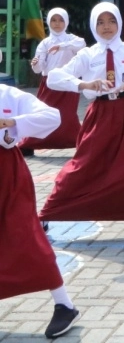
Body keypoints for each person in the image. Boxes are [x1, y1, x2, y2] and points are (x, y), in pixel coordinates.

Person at [42, 3, 124, 241]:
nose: (106, 27)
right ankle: (48, 214)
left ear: (119, 23)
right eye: (100, 22)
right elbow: (54, 77)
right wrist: (84, 85)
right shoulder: (87, 55)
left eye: (111, 21)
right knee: (84, 164)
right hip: (100, 113)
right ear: (94, 25)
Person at [0, 73, 82, 340]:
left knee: (25, 235)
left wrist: (12, 122)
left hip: (7, 174)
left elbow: (52, 117)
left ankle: (65, 304)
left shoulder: (9, 95)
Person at [19, 8, 85, 155]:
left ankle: (79, 142)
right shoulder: (44, 43)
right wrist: (35, 63)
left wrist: (61, 46)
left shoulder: (72, 39)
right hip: (49, 84)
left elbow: (82, 45)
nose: (57, 24)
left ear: (66, 22)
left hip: (68, 83)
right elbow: (38, 69)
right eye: (54, 20)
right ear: (49, 22)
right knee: (43, 113)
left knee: (67, 115)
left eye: (61, 20)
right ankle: (29, 143)